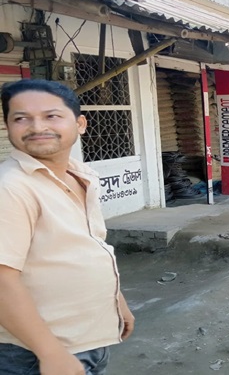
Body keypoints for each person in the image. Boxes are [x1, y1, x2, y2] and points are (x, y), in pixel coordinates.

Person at [0, 80, 135, 375]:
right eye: (21, 118)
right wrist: (50, 353)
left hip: (86, 340)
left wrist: (117, 302)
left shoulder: (79, 175)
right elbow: (2, 280)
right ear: (8, 126)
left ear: (80, 124)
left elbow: (90, 246)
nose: (36, 127)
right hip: (33, 352)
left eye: (51, 116)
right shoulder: (11, 187)